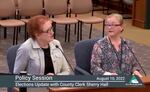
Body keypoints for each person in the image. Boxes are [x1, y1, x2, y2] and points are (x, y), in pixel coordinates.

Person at [90, 13, 143, 77]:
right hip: (109, 82)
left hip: (127, 82)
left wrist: (135, 71)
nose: (109, 27)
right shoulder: (99, 45)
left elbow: (134, 65)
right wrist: (108, 74)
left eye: (113, 25)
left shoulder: (128, 44)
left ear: (121, 27)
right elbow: (94, 68)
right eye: (107, 25)